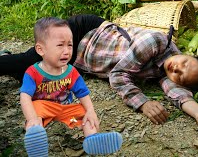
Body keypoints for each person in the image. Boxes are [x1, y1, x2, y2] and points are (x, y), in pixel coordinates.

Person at [1, 14, 198, 134]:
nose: (177, 69)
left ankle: (9, 59)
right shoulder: (156, 41)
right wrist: (143, 103)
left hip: (84, 62)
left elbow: (177, 93)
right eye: (184, 63)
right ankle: (10, 60)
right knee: (30, 61)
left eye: (182, 76)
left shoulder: (168, 74)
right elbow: (118, 75)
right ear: (187, 54)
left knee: (35, 78)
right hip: (85, 35)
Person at [19, 17, 122, 156]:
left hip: (65, 110)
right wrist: (31, 118)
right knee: (35, 109)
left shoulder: (71, 71)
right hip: (44, 111)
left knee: (84, 113)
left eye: (70, 45)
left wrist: (91, 110)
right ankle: (36, 137)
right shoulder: (33, 72)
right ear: (40, 49)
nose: (67, 51)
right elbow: (25, 97)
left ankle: (91, 139)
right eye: (60, 45)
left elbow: (82, 93)